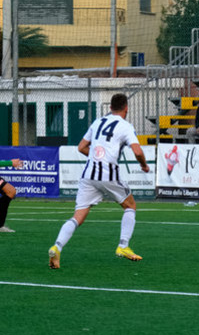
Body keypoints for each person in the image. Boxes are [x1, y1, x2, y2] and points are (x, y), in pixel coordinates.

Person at [48, 93, 150, 269]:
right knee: (130, 206)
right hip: (108, 173)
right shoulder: (126, 126)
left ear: (110, 108)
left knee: (78, 216)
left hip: (88, 175)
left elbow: (81, 147)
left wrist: (96, 158)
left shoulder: (97, 122)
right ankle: (123, 246)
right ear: (126, 108)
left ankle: (57, 247)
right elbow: (138, 151)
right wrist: (144, 166)